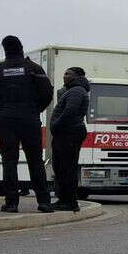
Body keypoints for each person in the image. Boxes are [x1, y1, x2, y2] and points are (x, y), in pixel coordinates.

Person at [0, 35, 54, 213]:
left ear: (4, 50)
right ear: (21, 48)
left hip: (5, 118)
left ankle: (11, 203)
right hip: (29, 117)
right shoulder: (33, 68)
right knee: (35, 160)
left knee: (9, 161)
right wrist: (35, 109)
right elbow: (48, 93)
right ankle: (44, 202)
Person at [49, 67, 89, 212]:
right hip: (66, 133)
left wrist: (55, 125)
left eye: (68, 74)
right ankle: (64, 200)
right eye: (64, 73)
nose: (64, 76)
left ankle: (70, 202)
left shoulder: (77, 91)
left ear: (77, 76)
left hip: (69, 133)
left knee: (67, 168)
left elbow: (70, 111)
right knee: (60, 168)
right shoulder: (72, 90)